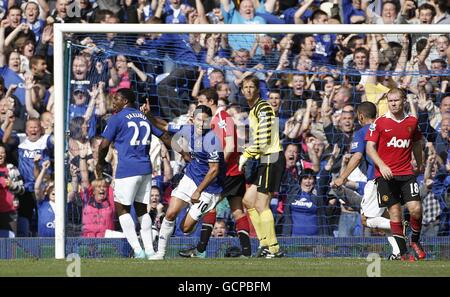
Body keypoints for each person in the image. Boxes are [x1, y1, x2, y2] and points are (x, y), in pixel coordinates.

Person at [95, 88, 175, 259]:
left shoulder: (117, 118)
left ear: (125, 101)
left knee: (122, 209)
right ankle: (150, 251)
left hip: (127, 170)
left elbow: (103, 145)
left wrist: (100, 164)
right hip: (146, 169)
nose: (113, 101)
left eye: (116, 98)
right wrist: (183, 152)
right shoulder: (144, 117)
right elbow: (165, 137)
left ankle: (138, 251)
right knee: (142, 210)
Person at [179, 88, 251, 258]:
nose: (198, 105)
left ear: (210, 101)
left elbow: (231, 146)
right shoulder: (211, 121)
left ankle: (201, 251)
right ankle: (247, 253)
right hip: (233, 172)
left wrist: (217, 167)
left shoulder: (223, 118)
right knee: (236, 210)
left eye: (200, 101)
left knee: (211, 208)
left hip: (226, 172)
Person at [148, 105, 225, 260]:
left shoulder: (212, 140)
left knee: (185, 228)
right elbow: (163, 125)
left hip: (208, 188)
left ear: (210, 122)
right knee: (170, 213)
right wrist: (147, 113)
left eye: (204, 121)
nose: (200, 124)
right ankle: (160, 254)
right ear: (192, 119)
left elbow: (214, 170)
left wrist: (198, 191)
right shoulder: (187, 129)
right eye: (198, 120)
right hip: (190, 177)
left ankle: (200, 212)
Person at [331, 101, 400, 259]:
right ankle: (398, 251)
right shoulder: (387, 128)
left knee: (366, 219)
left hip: (376, 179)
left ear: (360, 116)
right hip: (395, 176)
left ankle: (400, 226)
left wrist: (342, 177)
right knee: (387, 216)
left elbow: (357, 156)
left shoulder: (363, 132)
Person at [366, 88, 426, 261]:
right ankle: (404, 253)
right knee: (394, 212)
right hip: (385, 175)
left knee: (416, 209)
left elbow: (416, 143)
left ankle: (414, 240)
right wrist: (382, 165)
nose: (393, 104)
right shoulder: (379, 122)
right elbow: (370, 148)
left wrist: (419, 163)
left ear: (404, 101)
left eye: (396, 100)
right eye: (390, 101)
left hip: (406, 172)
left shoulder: (412, 122)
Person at [238, 75, 285, 258]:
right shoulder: (253, 110)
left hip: (271, 158)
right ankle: (263, 242)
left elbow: (264, 139)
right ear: (242, 91)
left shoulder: (263, 107)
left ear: (258, 90)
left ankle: (272, 248)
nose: (248, 90)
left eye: (251, 87)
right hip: (265, 159)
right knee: (248, 201)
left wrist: (246, 154)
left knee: (261, 204)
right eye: (245, 87)